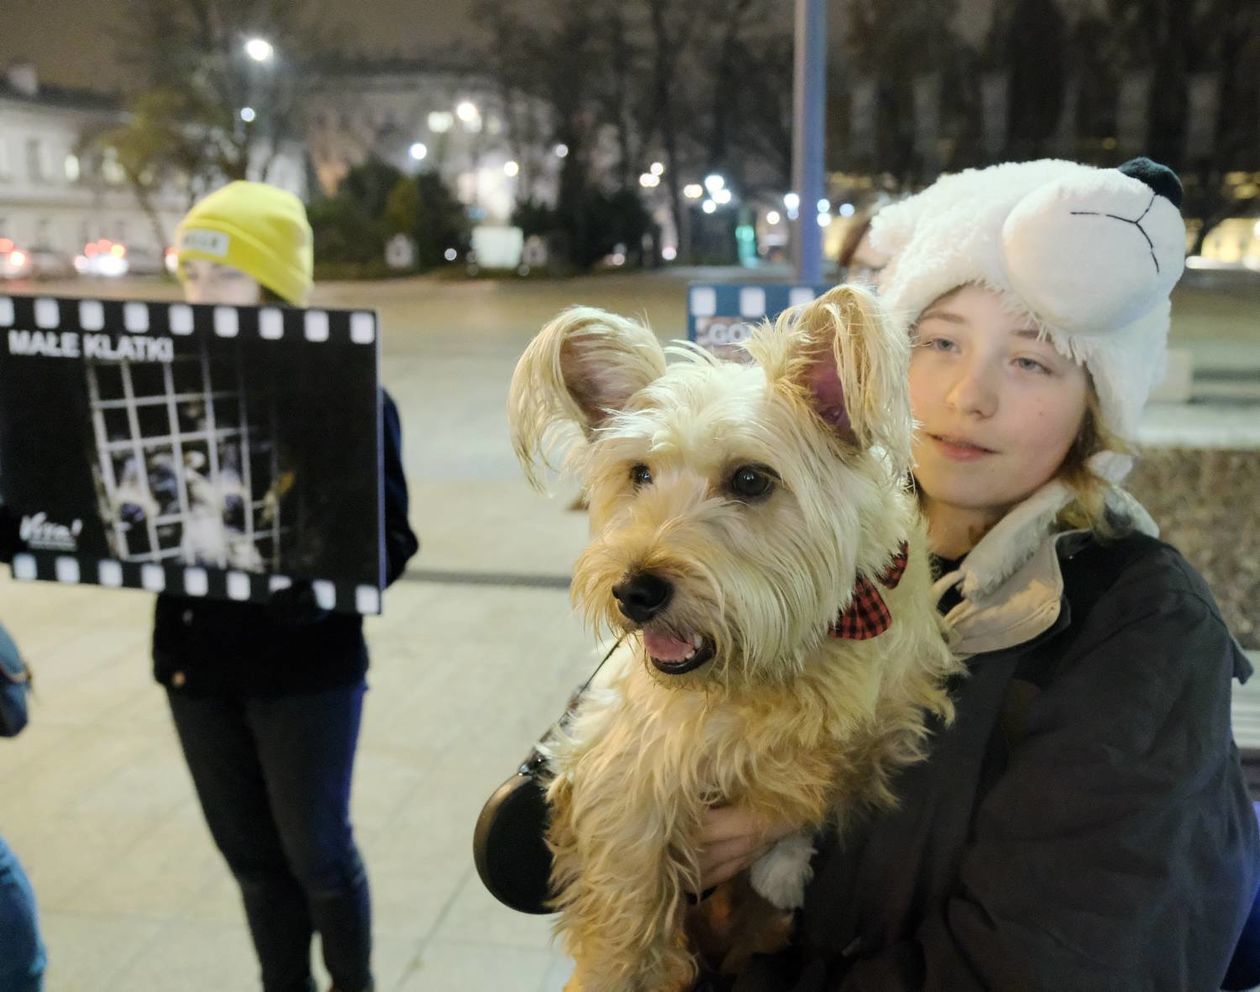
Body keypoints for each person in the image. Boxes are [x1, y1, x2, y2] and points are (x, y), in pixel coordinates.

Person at [690, 158, 1260, 991]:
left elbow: (1050, 961)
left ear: (1093, 410)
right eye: (940, 342)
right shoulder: (817, 554)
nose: (969, 395)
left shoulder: (1138, 629)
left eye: (1033, 361)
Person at [154, 181, 419, 992]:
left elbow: (392, 540)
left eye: (224, 277)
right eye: (192, 279)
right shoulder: (172, 390)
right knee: (252, 861)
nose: (202, 297)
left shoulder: (347, 397)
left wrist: (318, 587)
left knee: (318, 855)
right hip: (197, 666)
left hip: (306, 669)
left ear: (274, 284)